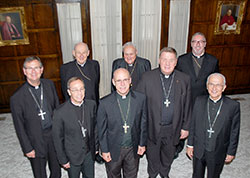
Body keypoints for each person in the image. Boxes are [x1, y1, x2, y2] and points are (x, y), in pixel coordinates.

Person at [136, 47, 192, 178]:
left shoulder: (184, 79)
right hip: (153, 127)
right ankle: (153, 173)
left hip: (173, 126)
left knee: (169, 153)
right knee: (153, 154)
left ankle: (164, 172)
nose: (167, 63)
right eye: (164, 59)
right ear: (159, 60)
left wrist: (186, 127)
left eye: (171, 60)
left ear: (176, 62)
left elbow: (188, 105)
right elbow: (138, 103)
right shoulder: (147, 77)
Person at [10, 56, 61, 178]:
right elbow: (19, 127)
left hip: (52, 135)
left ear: (42, 69)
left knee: (56, 170)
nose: (33, 72)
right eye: (30, 68)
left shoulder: (49, 85)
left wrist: (61, 135)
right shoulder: (17, 97)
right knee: (39, 173)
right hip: (35, 139)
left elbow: (57, 110)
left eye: (37, 68)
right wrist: (27, 148)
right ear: (24, 71)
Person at [186, 73, 240, 178]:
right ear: (207, 86)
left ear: (224, 87)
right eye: (211, 84)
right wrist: (190, 145)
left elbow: (234, 131)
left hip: (218, 150)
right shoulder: (199, 101)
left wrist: (231, 152)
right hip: (199, 148)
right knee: (197, 174)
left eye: (218, 85)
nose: (214, 88)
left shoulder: (233, 106)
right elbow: (193, 124)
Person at [97, 68, 147, 178]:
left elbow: (143, 123)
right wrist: (104, 150)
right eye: (118, 81)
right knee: (113, 175)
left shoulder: (140, 99)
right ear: (113, 82)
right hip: (113, 148)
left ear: (130, 81)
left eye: (125, 80)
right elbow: (101, 130)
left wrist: (142, 143)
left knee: (131, 175)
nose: (122, 84)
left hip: (132, 147)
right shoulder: (104, 103)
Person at [176, 32, 219, 157]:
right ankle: (178, 145)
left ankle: (198, 145)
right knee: (182, 122)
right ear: (191, 44)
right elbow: (177, 79)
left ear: (205, 44)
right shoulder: (182, 60)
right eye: (195, 41)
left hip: (203, 98)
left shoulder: (213, 60)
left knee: (201, 125)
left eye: (201, 41)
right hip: (185, 98)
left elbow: (216, 79)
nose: (198, 44)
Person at [53, 77, 98, 178]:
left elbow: (95, 127)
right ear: (69, 92)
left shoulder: (91, 105)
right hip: (72, 156)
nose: (79, 92)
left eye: (82, 89)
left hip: (89, 153)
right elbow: (57, 139)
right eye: (75, 90)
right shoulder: (60, 112)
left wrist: (95, 146)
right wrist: (63, 159)